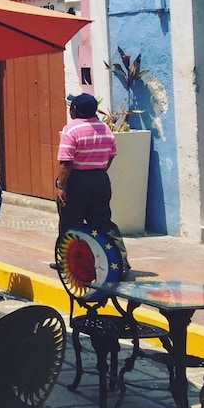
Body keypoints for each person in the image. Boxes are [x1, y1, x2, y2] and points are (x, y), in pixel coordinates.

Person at [56, 92, 130, 278]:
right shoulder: (105, 129)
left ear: (74, 110)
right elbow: (110, 155)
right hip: (100, 179)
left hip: (77, 181)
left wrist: (60, 186)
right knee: (103, 222)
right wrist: (98, 170)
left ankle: (69, 262)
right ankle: (120, 263)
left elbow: (66, 163)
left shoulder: (70, 130)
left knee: (71, 223)